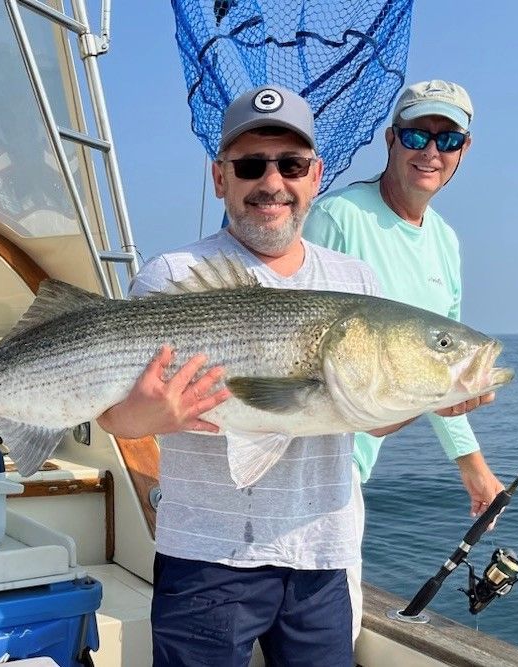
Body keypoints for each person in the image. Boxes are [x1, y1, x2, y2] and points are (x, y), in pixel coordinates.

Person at [98, 85, 381, 667]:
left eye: (292, 165)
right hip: (206, 558)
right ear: (220, 178)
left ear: (315, 176)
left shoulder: (356, 282)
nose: (272, 183)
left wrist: (436, 392)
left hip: (322, 556)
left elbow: (375, 417)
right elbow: (116, 419)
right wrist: (152, 415)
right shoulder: (175, 274)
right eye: (251, 165)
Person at [302, 79, 505, 637]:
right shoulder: (339, 217)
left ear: (465, 150)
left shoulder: (446, 241)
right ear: (391, 139)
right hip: (311, 456)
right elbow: (296, 343)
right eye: (417, 133)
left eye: (448, 139)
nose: (430, 151)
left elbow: (448, 372)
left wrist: (474, 471)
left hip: (352, 472)